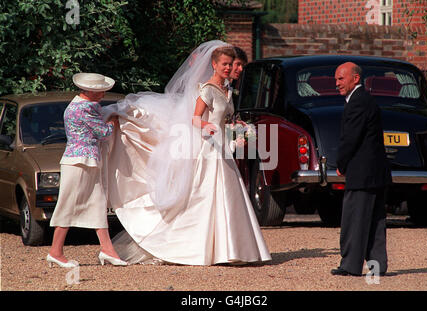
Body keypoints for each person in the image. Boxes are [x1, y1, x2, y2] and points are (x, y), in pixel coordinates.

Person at [102, 40, 271, 266]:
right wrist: (207, 127)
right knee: (206, 194)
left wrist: (237, 126)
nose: (229, 68)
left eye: (231, 64)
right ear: (214, 64)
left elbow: (224, 117)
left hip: (222, 147)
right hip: (210, 147)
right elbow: (195, 118)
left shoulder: (227, 90)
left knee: (227, 195)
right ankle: (196, 248)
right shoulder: (207, 90)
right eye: (225, 64)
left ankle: (229, 248)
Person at [47, 73, 127, 268]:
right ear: (90, 91)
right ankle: (55, 251)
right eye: (99, 91)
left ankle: (107, 249)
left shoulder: (76, 105)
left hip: (84, 159)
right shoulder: (86, 108)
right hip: (79, 161)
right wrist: (113, 121)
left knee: (97, 202)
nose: (102, 95)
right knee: (68, 204)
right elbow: (103, 132)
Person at [332, 62, 391, 276]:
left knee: (355, 219)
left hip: (362, 172)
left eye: (341, 78)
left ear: (355, 78)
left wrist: (341, 164)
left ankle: (350, 265)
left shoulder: (357, 102)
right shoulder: (365, 100)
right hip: (376, 173)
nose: (337, 83)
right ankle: (377, 267)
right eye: (336, 79)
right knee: (375, 222)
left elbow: (351, 137)